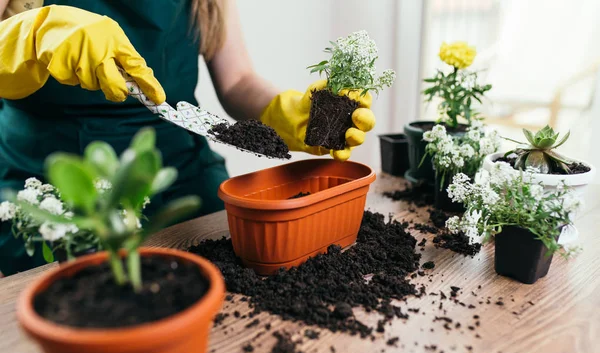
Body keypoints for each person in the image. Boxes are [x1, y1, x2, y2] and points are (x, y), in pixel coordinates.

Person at [0, 0, 376, 275]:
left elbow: (238, 80)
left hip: (178, 171)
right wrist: (31, 38)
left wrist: (284, 112)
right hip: (54, 180)